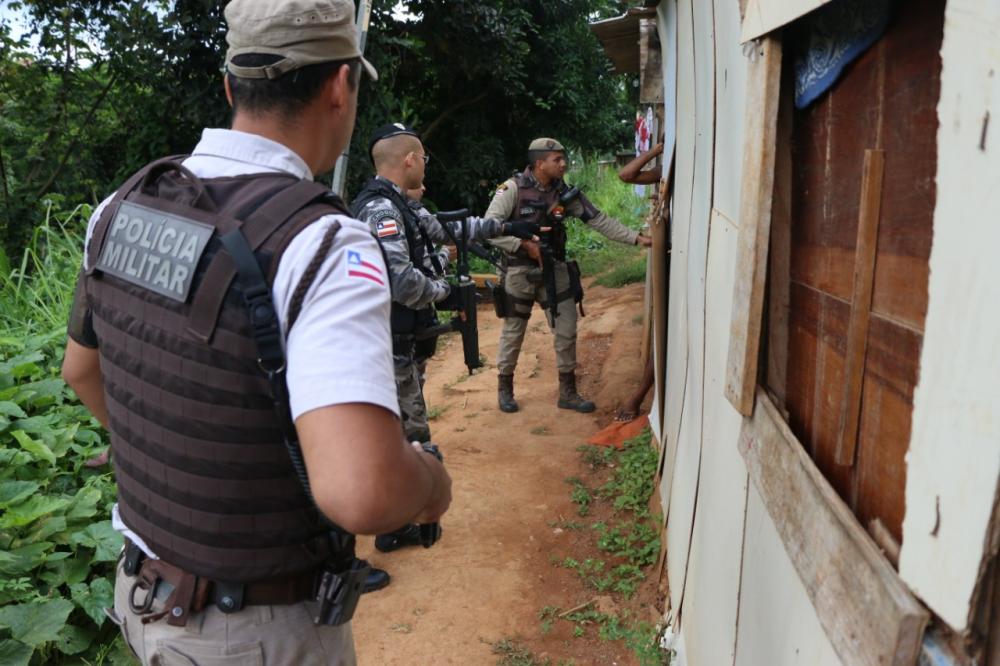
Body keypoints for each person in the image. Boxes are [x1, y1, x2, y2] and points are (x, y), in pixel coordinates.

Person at [60, 1, 451, 663]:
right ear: (339, 85)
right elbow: (364, 490)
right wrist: (431, 485)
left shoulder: (121, 204)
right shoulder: (323, 242)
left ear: (229, 86)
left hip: (141, 596)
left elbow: (81, 371)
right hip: (256, 629)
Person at [351, 124, 539, 553]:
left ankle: (394, 522)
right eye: (424, 159)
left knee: (403, 432)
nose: (425, 165)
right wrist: (446, 292)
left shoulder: (402, 205)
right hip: (387, 345)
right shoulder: (380, 210)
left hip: (404, 340)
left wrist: (506, 227)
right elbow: (400, 281)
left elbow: (449, 231)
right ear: (409, 160)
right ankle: (397, 521)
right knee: (410, 433)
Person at [487, 138, 653, 414]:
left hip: (555, 270)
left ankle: (568, 392)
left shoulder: (563, 192)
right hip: (518, 271)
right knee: (513, 332)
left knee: (566, 332)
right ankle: (505, 389)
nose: (564, 164)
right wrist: (523, 245)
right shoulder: (512, 189)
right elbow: (489, 229)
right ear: (540, 163)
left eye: (564, 159)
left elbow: (598, 219)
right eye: (557, 159)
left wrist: (636, 239)